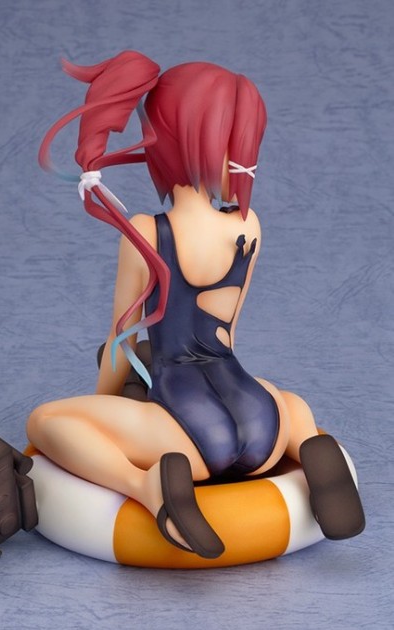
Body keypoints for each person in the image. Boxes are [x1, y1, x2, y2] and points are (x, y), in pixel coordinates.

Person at [27, 51, 364, 558]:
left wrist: (109, 408)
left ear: (164, 143)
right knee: (287, 401)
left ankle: (147, 488)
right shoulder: (249, 227)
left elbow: (122, 341)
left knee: (45, 420)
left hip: (187, 436)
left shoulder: (146, 232)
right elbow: (228, 333)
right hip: (263, 424)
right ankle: (307, 440)